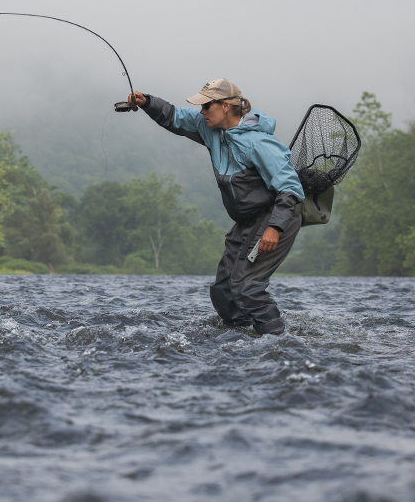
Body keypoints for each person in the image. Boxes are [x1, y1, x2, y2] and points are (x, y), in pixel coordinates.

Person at [126, 79, 304, 335]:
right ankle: (240, 337)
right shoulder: (210, 128)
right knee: (223, 291)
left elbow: (290, 188)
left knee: (246, 286)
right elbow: (175, 117)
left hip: (276, 218)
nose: (201, 112)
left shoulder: (260, 143)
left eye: (206, 106)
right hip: (247, 222)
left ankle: (278, 343)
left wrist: (275, 228)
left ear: (226, 106)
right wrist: (147, 103)